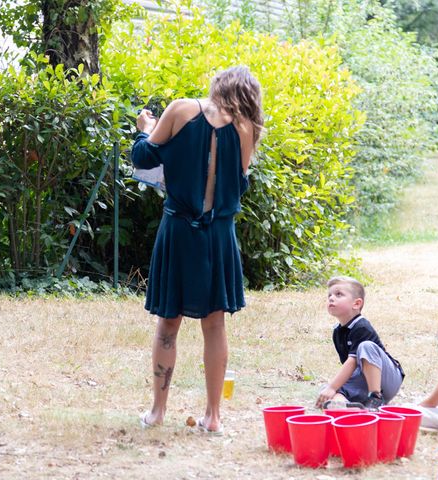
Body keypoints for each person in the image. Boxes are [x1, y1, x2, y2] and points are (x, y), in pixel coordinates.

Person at [131, 66, 263, 434]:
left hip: (178, 229)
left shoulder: (182, 108)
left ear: (217, 85)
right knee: (215, 323)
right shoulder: (246, 129)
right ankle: (213, 417)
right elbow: (239, 183)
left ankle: (157, 412)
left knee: (168, 321)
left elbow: (144, 158)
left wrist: (144, 129)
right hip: (219, 234)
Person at [315, 276, 405, 410]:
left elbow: (352, 362)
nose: (331, 298)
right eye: (330, 295)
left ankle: (376, 398)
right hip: (362, 382)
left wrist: (333, 387)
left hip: (387, 379)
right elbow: (350, 369)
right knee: (326, 390)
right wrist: (333, 390)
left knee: (366, 347)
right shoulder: (337, 331)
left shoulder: (361, 326)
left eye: (339, 294)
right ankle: (347, 406)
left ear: (356, 304)